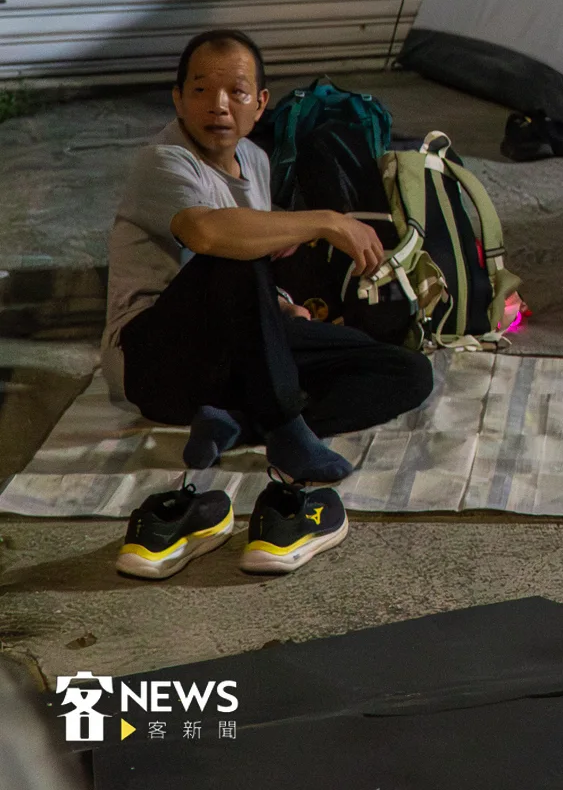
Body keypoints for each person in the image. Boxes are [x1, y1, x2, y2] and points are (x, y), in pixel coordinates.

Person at [102, 29, 433, 580]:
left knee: (404, 371)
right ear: (178, 99)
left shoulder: (254, 159)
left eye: (236, 92)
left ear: (260, 104)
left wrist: (278, 305)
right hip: (155, 363)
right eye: (201, 90)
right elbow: (209, 237)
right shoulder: (162, 162)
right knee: (232, 247)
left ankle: (235, 420)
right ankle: (282, 425)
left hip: (227, 364)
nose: (219, 106)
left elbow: (248, 272)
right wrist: (326, 221)